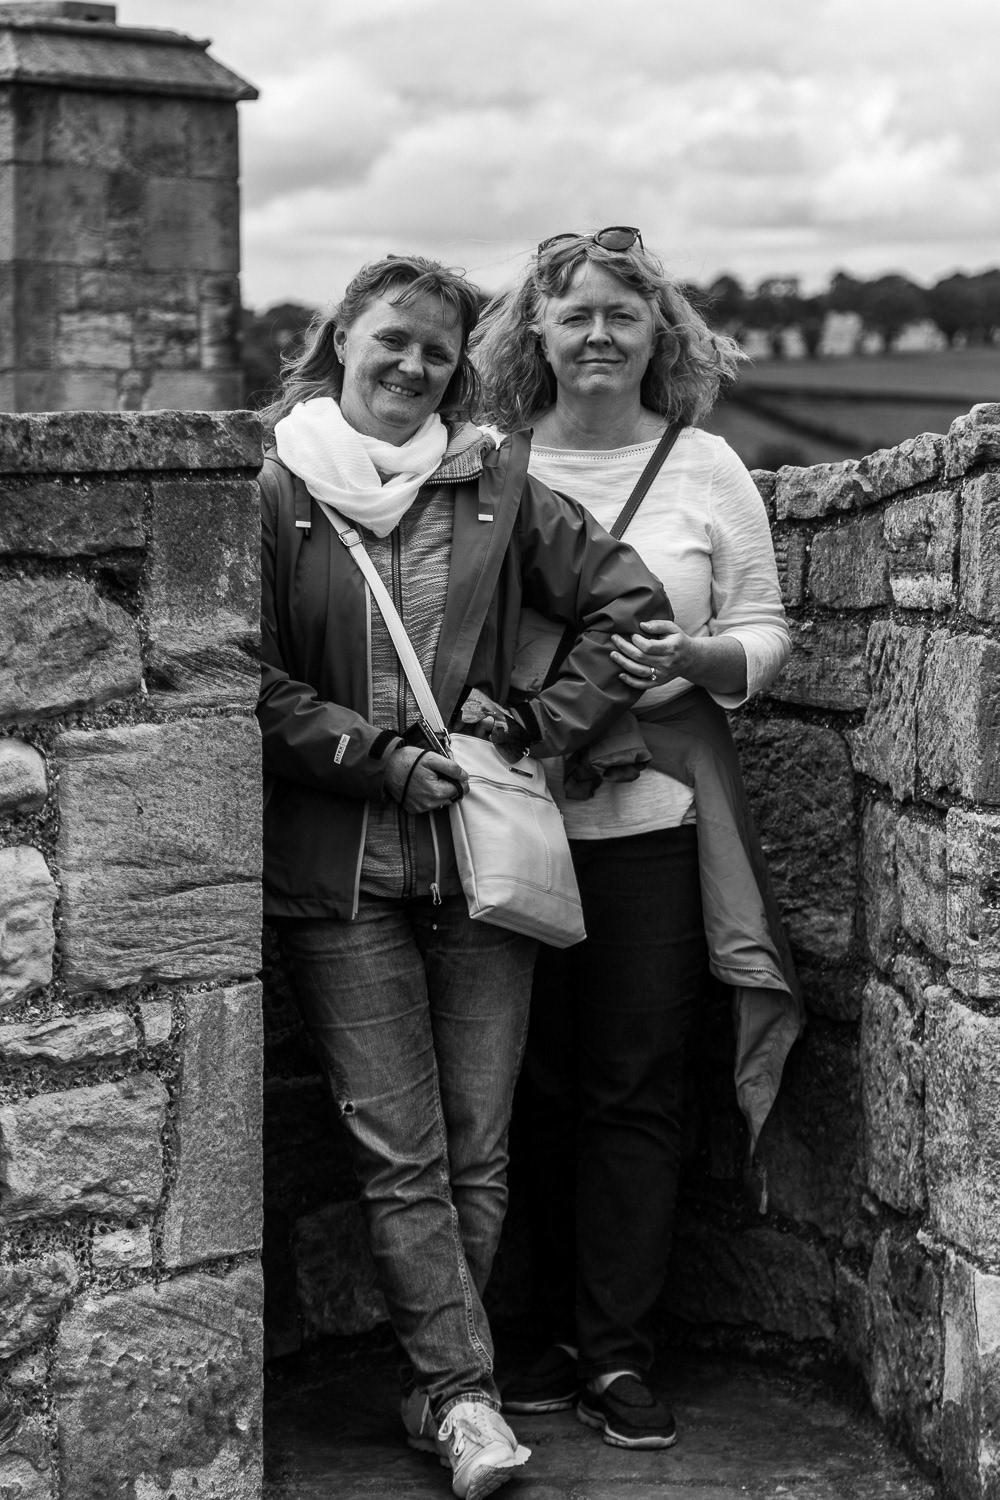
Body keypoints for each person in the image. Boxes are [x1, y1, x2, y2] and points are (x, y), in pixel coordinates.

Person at [255, 253, 670, 1500]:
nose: (413, 365)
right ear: (341, 337)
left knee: (479, 1152)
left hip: (484, 866)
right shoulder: (275, 488)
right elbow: (245, 675)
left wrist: (539, 722)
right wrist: (373, 759)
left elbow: (630, 607)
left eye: (438, 350)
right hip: (343, 877)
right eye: (392, 338)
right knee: (401, 1154)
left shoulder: (495, 480)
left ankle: (445, 1391)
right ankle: (463, 1399)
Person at [474, 227, 803, 1451]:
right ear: (537, 333)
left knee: (632, 1087)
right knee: (517, 1084)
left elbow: (764, 627)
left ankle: (614, 1350)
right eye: (575, 315)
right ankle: (529, 1337)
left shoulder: (704, 466)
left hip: (651, 823)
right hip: (507, 815)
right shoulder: (489, 459)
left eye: (623, 313)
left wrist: (700, 656)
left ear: (659, 330)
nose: (600, 335)